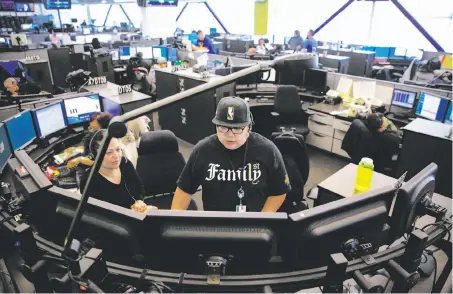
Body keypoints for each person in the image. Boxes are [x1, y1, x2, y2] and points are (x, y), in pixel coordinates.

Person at [171, 97, 290, 212]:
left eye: (237, 128)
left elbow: (279, 191)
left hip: (254, 225)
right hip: (215, 225)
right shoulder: (202, 150)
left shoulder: (268, 150)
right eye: (223, 127)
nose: (229, 134)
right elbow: (184, 190)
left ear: (249, 127)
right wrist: (174, 222)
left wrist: (263, 220)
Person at [79, 130, 155, 213]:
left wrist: (139, 201)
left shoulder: (124, 163)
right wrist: (130, 212)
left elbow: (139, 187)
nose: (116, 156)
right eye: (109, 152)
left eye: (118, 149)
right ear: (94, 155)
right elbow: (99, 216)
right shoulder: (89, 181)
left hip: (138, 213)